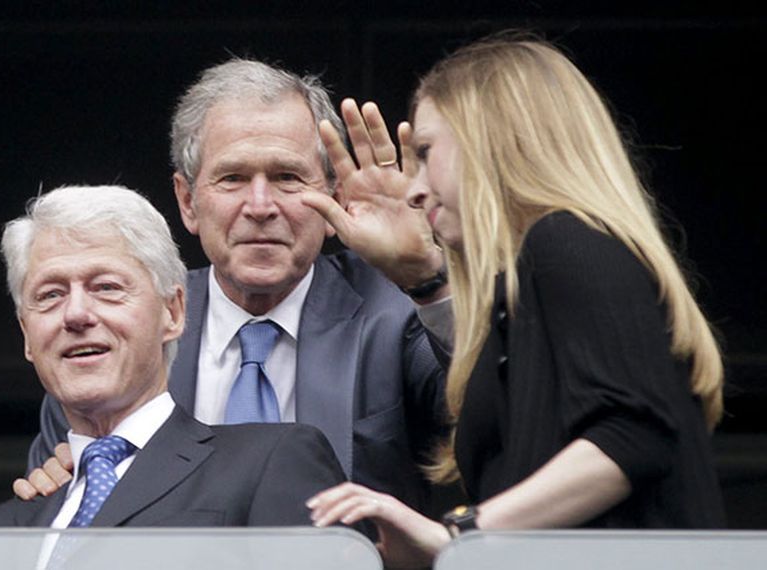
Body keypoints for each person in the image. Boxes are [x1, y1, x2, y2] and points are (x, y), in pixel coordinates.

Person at [303, 36, 726, 567]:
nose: (414, 189)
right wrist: (423, 277)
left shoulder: (564, 240)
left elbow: (632, 434)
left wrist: (462, 535)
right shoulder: (536, 274)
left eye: (427, 153)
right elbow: (528, 390)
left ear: (495, 143)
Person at [16, 59, 449, 518]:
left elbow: (505, 415)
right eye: (233, 178)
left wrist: (427, 277)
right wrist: (68, 489)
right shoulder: (122, 332)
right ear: (188, 202)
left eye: (287, 177)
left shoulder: (397, 311)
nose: (260, 206)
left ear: (336, 196)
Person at [0, 185, 348, 533]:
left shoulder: (271, 462)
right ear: (27, 334)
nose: (76, 314)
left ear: (174, 312)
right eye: (50, 295)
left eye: (107, 288)